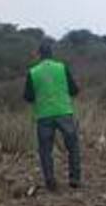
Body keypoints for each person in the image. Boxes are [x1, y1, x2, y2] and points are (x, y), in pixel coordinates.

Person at [24, 41, 82, 191]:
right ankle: (75, 178)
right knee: (73, 147)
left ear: (39, 55)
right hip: (64, 112)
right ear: (52, 53)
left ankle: (50, 182)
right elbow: (74, 90)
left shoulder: (33, 72)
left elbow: (28, 97)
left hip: (43, 115)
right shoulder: (62, 67)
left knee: (45, 151)